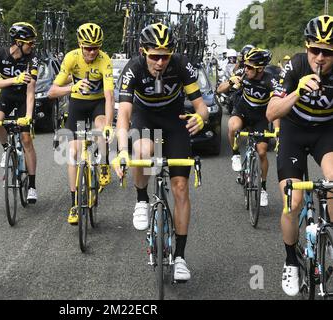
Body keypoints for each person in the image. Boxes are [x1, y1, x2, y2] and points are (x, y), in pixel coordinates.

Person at [112, 23, 208, 281]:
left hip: (174, 122)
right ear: (143, 52)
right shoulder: (133, 68)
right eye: (154, 55)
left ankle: (180, 257)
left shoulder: (180, 65)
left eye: (165, 55)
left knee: (180, 187)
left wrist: (201, 118)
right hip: (144, 119)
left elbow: (202, 106)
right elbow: (123, 115)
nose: (160, 61)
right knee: (142, 149)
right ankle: (142, 199)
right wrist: (122, 151)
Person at [267, 15, 333, 297]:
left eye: (327, 52)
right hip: (294, 131)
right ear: (306, 48)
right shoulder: (295, 66)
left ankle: (328, 229)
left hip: (325, 132)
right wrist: (297, 90)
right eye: (314, 50)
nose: (320, 57)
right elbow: (271, 113)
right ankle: (291, 261)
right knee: (292, 202)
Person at [48, 23, 114, 225]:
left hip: (98, 103)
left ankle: (103, 164)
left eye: (96, 47)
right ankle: (75, 203)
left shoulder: (105, 60)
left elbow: (109, 96)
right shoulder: (71, 58)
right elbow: (52, 92)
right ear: (80, 45)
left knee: (101, 127)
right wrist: (72, 86)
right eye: (88, 48)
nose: (92, 52)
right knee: (73, 152)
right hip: (77, 103)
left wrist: (109, 125)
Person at [217, 48, 279, 207]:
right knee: (232, 126)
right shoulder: (241, 73)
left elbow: (277, 107)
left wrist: (277, 130)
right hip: (243, 111)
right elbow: (219, 89)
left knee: (263, 151)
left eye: (250, 67)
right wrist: (232, 82)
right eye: (245, 65)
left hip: (260, 117)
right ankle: (236, 154)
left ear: (260, 68)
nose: (246, 69)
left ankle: (263, 189)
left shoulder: (270, 81)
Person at [0, 22, 39, 203]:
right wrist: (15, 79)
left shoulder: (32, 59)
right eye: (29, 43)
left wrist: (29, 116)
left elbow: (31, 90)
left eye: (33, 44)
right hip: (7, 95)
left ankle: (32, 185)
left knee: (26, 139)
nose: (32, 47)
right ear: (17, 42)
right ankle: (6, 148)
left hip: (24, 97)